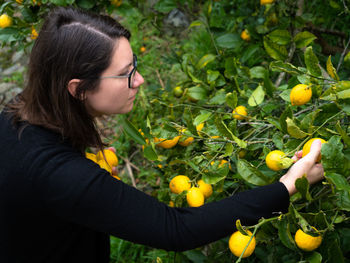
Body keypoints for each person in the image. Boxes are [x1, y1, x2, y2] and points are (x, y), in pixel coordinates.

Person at [0, 7, 324, 263]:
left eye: (135, 64)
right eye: (126, 74)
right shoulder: (62, 175)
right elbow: (177, 229)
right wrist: (287, 186)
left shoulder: (20, 113)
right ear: (78, 88)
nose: (139, 80)